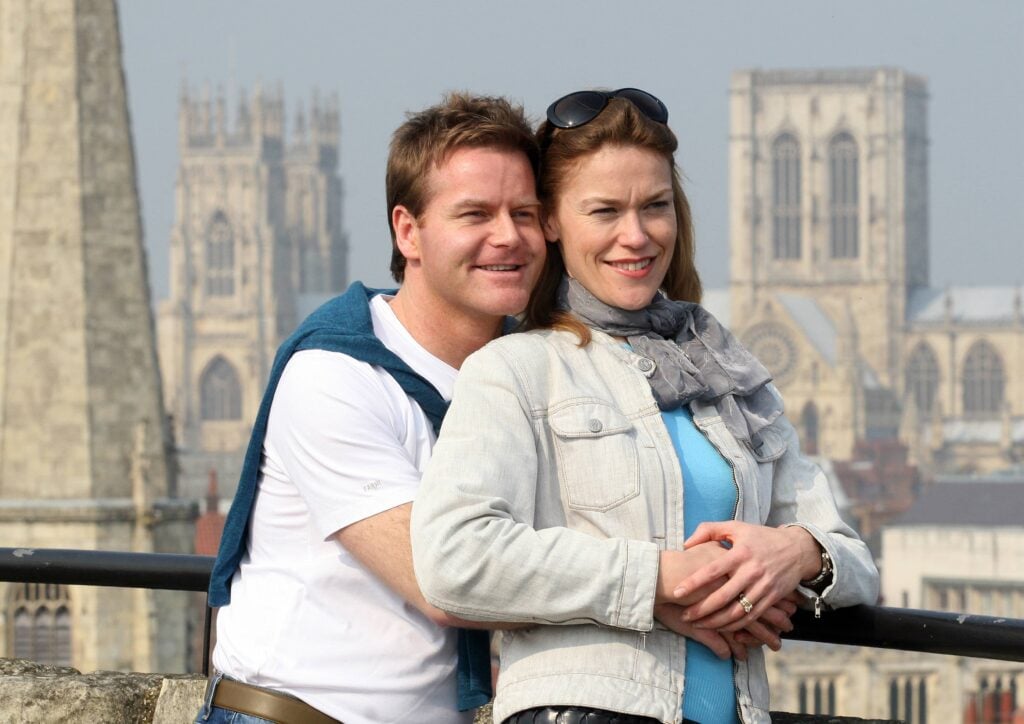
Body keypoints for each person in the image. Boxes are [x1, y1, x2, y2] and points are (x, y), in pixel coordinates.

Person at [411, 88, 880, 724]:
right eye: (604, 210)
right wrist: (659, 579)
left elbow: (853, 557)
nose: (636, 236)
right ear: (552, 221)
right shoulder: (516, 368)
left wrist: (796, 554)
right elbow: (454, 560)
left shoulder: (724, 369)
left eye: (655, 207)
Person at [197, 93, 547, 724]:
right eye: (476, 213)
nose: (509, 236)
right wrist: (659, 588)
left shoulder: (534, 366)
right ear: (407, 231)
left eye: (525, 212)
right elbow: (448, 580)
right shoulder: (334, 371)